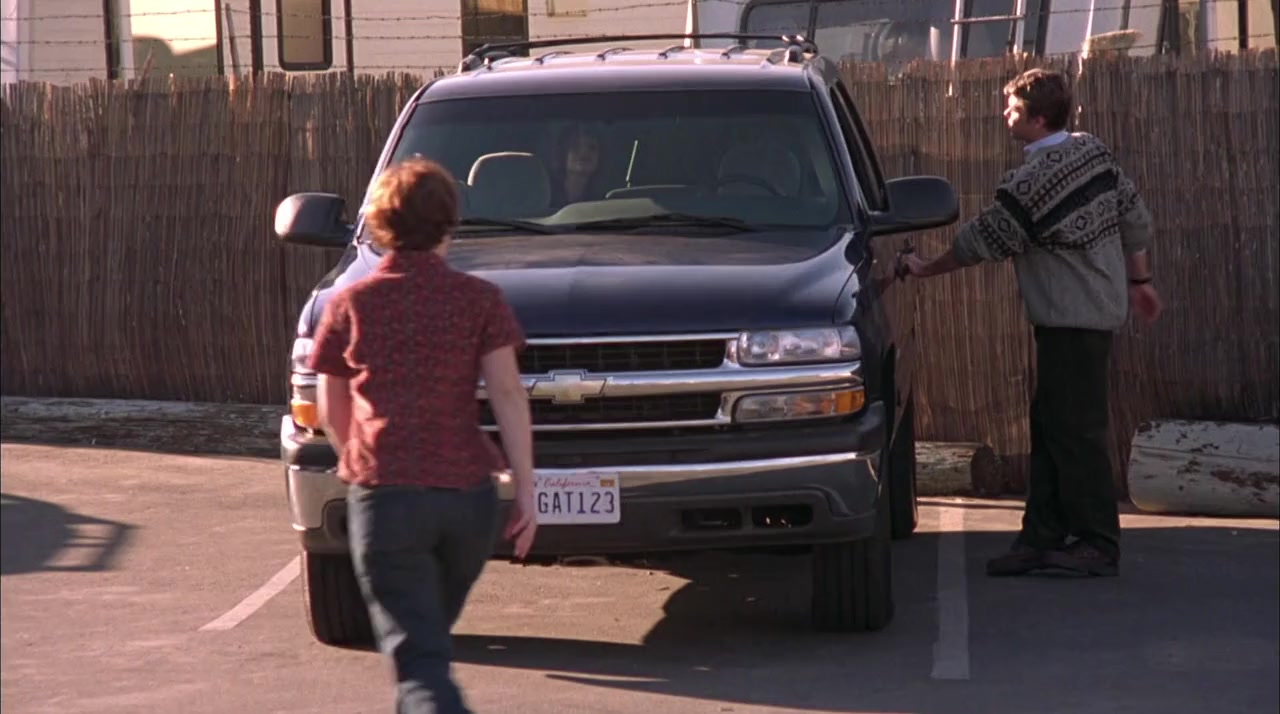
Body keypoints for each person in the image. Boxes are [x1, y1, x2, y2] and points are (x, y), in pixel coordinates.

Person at [900, 68, 1164, 578]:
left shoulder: (1031, 183)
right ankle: (1041, 535)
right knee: (1050, 425)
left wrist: (925, 268)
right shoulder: (1094, 154)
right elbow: (1136, 220)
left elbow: (981, 240)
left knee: (1078, 432)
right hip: (1087, 315)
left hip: (1074, 321)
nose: (1005, 114)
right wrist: (1141, 281)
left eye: (1014, 109)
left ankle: (1097, 542)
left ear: (1038, 118)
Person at [307, 157, 538, 713]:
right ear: (448, 223)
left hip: (387, 500)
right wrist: (527, 490)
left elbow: (331, 407)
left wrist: (361, 466)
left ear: (381, 224)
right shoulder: (480, 299)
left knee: (419, 663)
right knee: (426, 644)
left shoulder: (350, 304)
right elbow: (508, 395)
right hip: (467, 503)